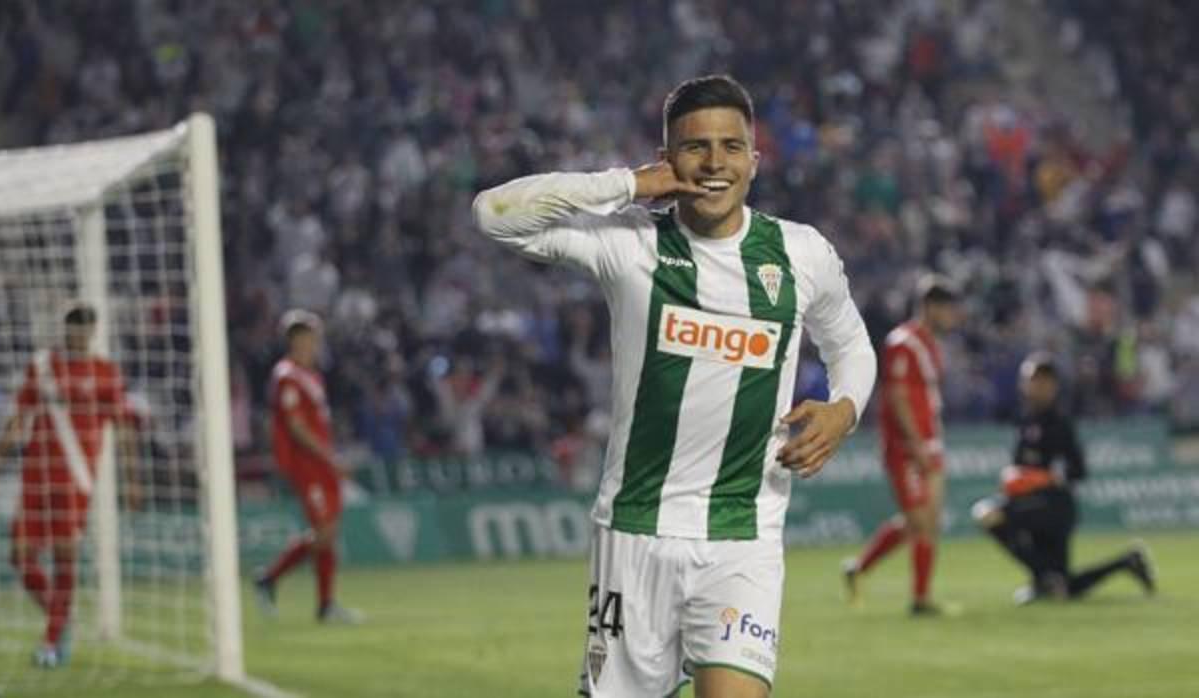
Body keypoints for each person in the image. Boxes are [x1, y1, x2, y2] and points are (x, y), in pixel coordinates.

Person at [473, 75, 876, 698]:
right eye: (695, 147)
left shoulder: (800, 254)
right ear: (668, 159)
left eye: (731, 146)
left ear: (755, 160)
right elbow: (495, 216)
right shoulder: (630, 246)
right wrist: (629, 185)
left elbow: (850, 343)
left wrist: (844, 411)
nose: (715, 162)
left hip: (744, 535)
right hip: (635, 531)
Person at [0, 303, 140, 668]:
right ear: (66, 329)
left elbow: (123, 427)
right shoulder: (43, 368)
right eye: (74, 326)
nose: (80, 333)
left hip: (75, 481)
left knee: (65, 556)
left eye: (87, 326)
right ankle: (61, 617)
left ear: (94, 331)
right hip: (36, 478)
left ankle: (52, 639)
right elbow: (18, 417)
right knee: (20, 556)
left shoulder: (105, 373)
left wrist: (131, 479)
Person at [971, 354, 1156, 603]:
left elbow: (1078, 470)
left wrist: (1043, 478)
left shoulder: (1059, 423)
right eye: (1032, 381)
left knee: (988, 514)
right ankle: (1126, 562)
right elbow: (1019, 468)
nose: (1037, 387)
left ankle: (1045, 578)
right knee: (1065, 587)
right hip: (1029, 503)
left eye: (1043, 382)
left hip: (1054, 507)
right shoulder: (1025, 420)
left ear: (1053, 386)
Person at [843, 275, 961, 615]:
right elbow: (896, 396)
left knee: (924, 523)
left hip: (930, 442)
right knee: (921, 522)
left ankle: (860, 568)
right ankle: (921, 599)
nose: (952, 316)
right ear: (929, 307)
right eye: (947, 309)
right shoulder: (903, 343)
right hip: (908, 448)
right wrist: (916, 444)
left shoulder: (929, 343)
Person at [254, 310, 362, 624]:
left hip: (322, 463)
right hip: (307, 465)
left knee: (328, 532)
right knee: (325, 532)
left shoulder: (313, 376)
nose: (315, 344)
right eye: (309, 338)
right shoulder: (286, 374)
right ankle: (270, 578)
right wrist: (332, 458)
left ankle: (326, 605)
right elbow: (297, 427)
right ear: (296, 340)